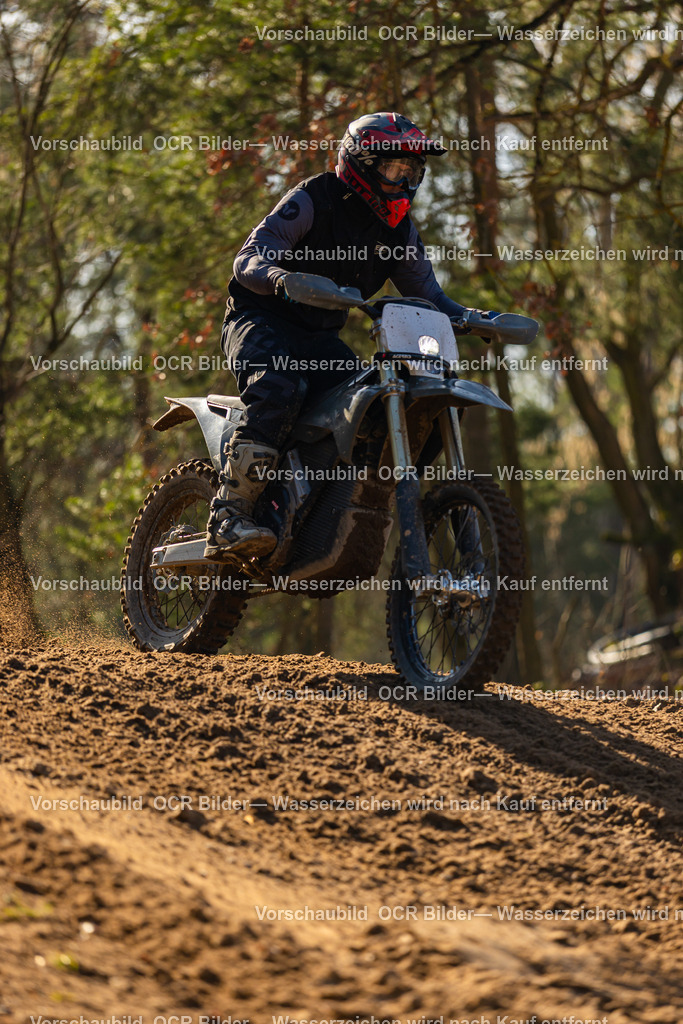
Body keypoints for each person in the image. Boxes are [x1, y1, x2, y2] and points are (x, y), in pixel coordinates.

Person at [205, 111, 480, 561]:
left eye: (413, 173)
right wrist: (279, 277)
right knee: (280, 386)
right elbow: (250, 257)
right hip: (259, 320)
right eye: (395, 170)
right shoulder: (315, 198)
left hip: (318, 339)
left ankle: (322, 508)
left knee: (367, 406)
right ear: (363, 163)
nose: (405, 182)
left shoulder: (399, 231)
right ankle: (228, 513)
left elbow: (430, 295)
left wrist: (472, 317)